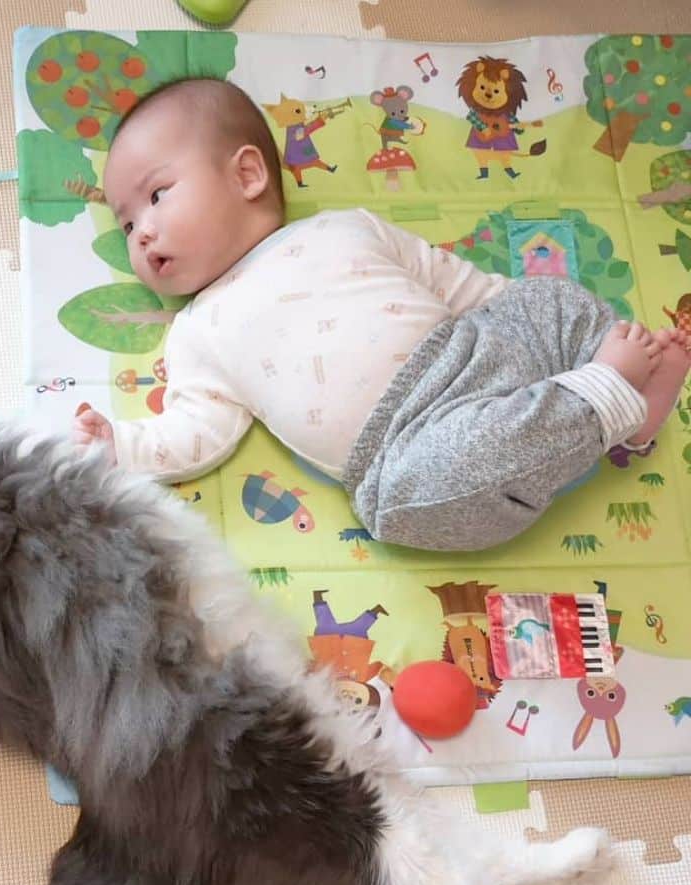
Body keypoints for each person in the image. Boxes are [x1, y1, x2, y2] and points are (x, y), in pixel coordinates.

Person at [73, 77, 691, 551]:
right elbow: (195, 430)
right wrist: (120, 447)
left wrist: (518, 312)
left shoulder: (345, 227)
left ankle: (622, 399)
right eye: (127, 224)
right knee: (421, 497)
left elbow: (448, 278)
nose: (142, 233)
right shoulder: (198, 330)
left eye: (156, 196)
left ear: (248, 173)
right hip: (406, 445)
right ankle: (603, 401)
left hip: (477, 345)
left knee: (550, 297)